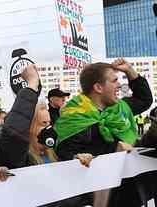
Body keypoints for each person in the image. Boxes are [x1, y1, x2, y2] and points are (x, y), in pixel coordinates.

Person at [54, 59, 153, 206]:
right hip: (97, 200)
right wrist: (77, 158)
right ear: (99, 87)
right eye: (114, 81)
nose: (119, 85)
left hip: (128, 195)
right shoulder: (74, 118)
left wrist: (129, 70)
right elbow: (64, 154)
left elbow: (144, 99)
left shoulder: (120, 109)